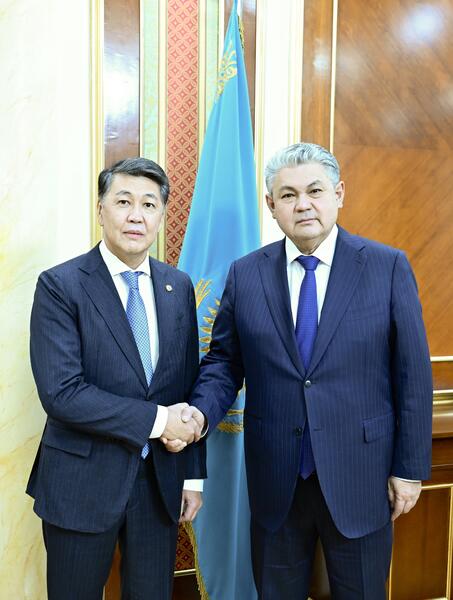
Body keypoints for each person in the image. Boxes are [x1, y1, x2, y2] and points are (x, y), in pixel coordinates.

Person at [170, 142, 433, 598]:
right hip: (277, 481)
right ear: (271, 205)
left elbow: (412, 376)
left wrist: (409, 469)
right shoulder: (246, 274)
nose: (303, 204)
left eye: (315, 190)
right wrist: (198, 415)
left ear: (339, 194)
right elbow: (224, 363)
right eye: (288, 195)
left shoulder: (386, 266)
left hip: (362, 477)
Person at [27, 157, 206, 600]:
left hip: (159, 483)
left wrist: (191, 477)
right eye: (123, 202)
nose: (136, 215)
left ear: (161, 216)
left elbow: (187, 384)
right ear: (100, 209)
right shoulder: (61, 285)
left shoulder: (178, 286)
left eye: (149, 204)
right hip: (81, 481)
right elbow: (62, 393)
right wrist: (160, 421)